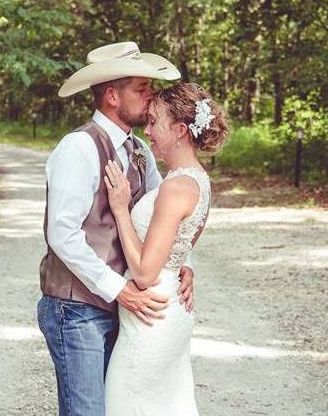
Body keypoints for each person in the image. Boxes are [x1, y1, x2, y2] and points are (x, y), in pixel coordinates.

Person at [37, 41, 196, 416]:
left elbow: (165, 220)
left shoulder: (139, 150)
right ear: (111, 94)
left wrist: (185, 264)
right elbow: (62, 234)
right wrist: (119, 289)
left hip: (119, 309)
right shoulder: (78, 147)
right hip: (75, 309)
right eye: (142, 89)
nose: (151, 98)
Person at [103, 82, 229, 415]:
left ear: (180, 129)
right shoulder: (197, 179)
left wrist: (119, 209)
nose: (147, 131)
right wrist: (186, 268)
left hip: (151, 317)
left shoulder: (175, 188)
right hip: (167, 308)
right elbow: (180, 247)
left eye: (154, 122)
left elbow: (145, 273)